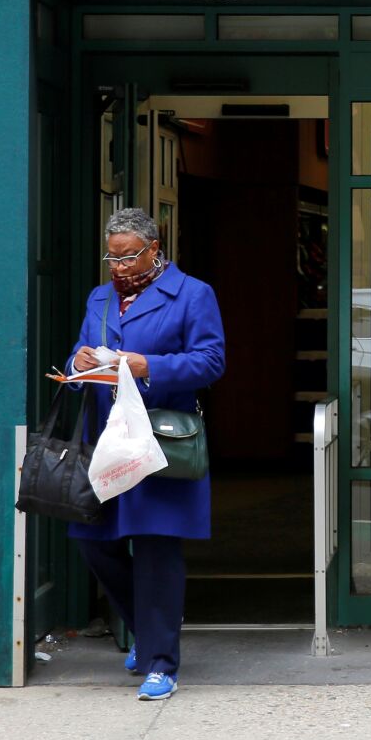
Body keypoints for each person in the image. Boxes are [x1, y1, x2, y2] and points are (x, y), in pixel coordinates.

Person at [66, 208, 225, 702]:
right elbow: (80, 351)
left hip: (157, 440)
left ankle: (160, 663)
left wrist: (148, 365)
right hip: (106, 439)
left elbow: (211, 361)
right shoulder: (99, 298)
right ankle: (149, 631)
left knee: (156, 549)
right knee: (92, 540)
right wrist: (78, 361)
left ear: (154, 249)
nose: (118, 266)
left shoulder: (193, 294)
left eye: (128, 256)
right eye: (111, 257)